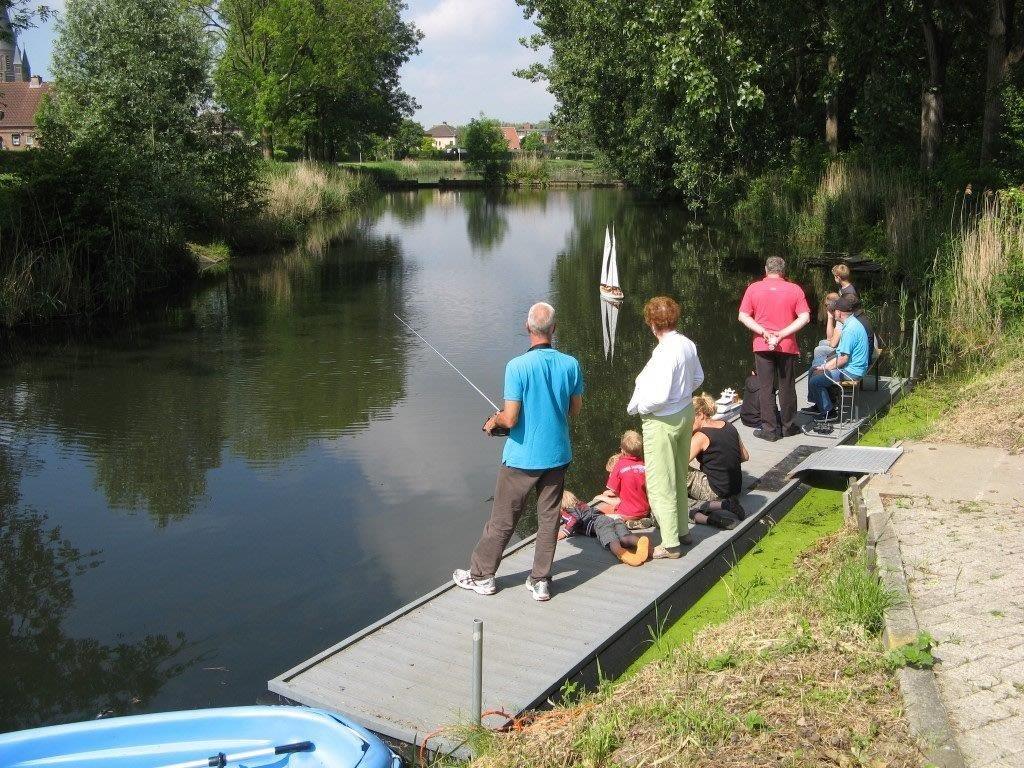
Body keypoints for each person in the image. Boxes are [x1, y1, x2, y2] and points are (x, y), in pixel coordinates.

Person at [453, 302, 584, 602]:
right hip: (557, 455)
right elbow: (574, 410)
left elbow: (510, 419)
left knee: (502, 519)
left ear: (527, 329)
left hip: (522, 459)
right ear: (554, 328)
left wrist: (492, 422)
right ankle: (540, 581)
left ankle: (482, 576)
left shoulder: (517, 366)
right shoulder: (570, 364)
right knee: (549, 518)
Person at [627, 296, 704, 560]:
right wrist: (682, 395)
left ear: (652, 324)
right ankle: (682, 530)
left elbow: (658, 396)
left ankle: (670, 543)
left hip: (662, 422)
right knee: (679, 474)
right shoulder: (686, 343)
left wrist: (639, 407)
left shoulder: (663, 353)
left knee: (660, 482)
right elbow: (698, 378)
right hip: (685, 414)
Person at [738, 256, 811, 442]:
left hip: (762, 345)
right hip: (786, 345)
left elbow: (743, 316)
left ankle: (770, 430)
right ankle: (788, 426)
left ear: (766, 269)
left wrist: (763, 332)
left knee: (766, 387)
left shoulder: (753, 288)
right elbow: (804, 318)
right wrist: (781, 334)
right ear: (783, 271)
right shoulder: (795, 289)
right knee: (787, 386)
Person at [801, 294, 870, 431]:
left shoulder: (850, 329)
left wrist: (825, 367)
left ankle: (829, 412)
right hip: (852, 366)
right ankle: (819, 405)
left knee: (816, 380)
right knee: (813, 370)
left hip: (851, 372)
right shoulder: (852, 322)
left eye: (835, 311)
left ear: (839, 312)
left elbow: (843, 359)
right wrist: (825, 365)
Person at [687, 393, 749, 530]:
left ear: (701, 414)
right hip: (735, 488)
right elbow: (745, 456)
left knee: (680, 469)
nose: (687, 422)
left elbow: (679, 463)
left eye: (689, 418)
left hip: (716, 492)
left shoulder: (700, 436)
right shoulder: (728, 425)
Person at [558, 491, 650, 566]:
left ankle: (624, 554)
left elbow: (573, 520)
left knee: (612, 540)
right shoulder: (582, 505)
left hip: (599, 523)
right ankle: (639, 542)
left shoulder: (566, 511)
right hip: (611, 518)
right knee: (625, 538)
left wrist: (563, 533)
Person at [590, 431, 651, 528]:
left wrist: (603, 496)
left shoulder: (619, 466)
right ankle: (634, 522)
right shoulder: (644, 465)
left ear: (622, 449)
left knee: (597, 516)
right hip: (645, 510)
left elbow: (614, 492)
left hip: (626, 513)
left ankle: (625, 523)